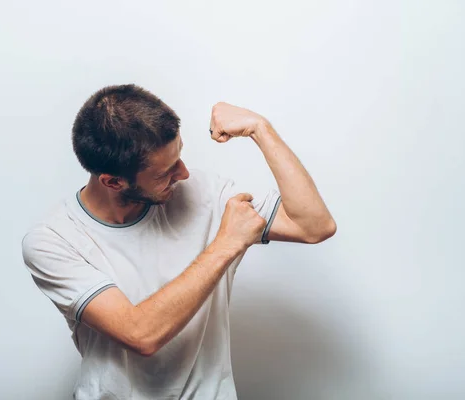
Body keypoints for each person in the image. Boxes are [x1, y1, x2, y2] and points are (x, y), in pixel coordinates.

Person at [21, 84, 336, 399]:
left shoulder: (204, 193)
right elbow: (140, 333)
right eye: (165, 172)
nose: (184, 173)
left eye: (180, 156)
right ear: (113, 181)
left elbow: (314, 225)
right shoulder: (54, 240)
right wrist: (226, 244)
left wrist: (260, 129)